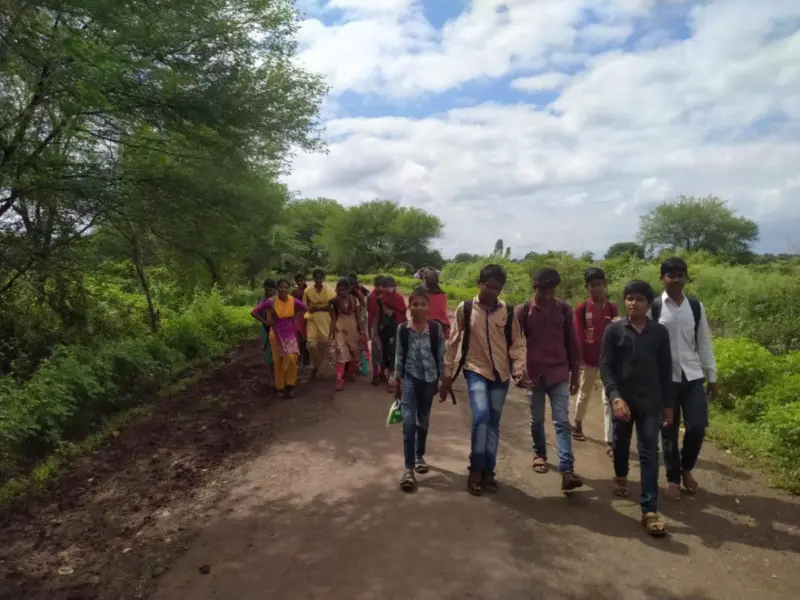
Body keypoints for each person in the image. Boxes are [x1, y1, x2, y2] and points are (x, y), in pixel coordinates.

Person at [440, 264, 526, 496]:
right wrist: (447, 374)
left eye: (497, 288)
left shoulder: (507, 311)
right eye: (489, 286)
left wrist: (519, 369)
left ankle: (489, 471)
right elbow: (453, 341)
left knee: (493, 423)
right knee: (481, 418)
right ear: (479, 284)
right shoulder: (466, 308)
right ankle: (476, 469)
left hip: (501, 375)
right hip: (475, 370)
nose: (492, 291)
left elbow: (516, 344)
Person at [600, 280, 675, 537]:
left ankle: (649, 510)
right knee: (620, 444)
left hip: (651, 401)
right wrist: (615, 397)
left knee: (649, 452)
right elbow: (606, 366)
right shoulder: (614, 330)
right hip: (624, 401)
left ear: (648, 304)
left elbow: (666, 369)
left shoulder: (659, 333)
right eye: (630, 298)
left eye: (640, 299)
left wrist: (668, 403)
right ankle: (621, 473)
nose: (633, 303)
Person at [652, 257, 718, 500]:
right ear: (662, 279)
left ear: (686, 278)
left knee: (697, 427)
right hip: (665, 379)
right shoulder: (654, 307)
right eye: (670, 275)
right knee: (668, 430)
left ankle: (686, 468)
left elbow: (704, 343)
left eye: (680, 275)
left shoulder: (696, 307)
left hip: (692, 377)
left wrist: (712, 375)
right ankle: (672, 478)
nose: (676, 279)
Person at [518, 268, 583, 491]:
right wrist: (517, 370)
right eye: (542, 291)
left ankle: (567, 469)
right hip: (534, 374)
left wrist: (576, 374)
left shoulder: (564, 309)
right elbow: (514, 343)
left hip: (559, 372)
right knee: (536, 420)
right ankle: (540, 453)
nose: (547, 296)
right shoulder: (524, 311)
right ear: (534, 287)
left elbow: (571, 342)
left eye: (551, 291)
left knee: (561, 421)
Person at [394, 288, 446, 492]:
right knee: (408, 423)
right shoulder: (403, 329)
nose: (419, 308)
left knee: (422, 421)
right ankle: (408, 469)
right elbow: (399, 355)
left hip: (430, 380)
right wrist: (397, 382)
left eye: (423, 304)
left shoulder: (435, 328)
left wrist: (442, 380)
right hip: (409, 379)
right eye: (415, 304)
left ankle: (419, 456)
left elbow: (441, 354)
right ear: (409, 307)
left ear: (428, 307)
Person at [572, 267, 619, 454]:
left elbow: (617, 332)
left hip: (609, 359)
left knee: (608, 397)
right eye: (592, 285)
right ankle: (577, 423)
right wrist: (580, 360)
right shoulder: (582, 308)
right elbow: (578, 334)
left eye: (599, 284)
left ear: (605, 284)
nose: (596, 288)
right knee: (585, 391)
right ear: (587, 287)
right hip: (589, 358)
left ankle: (610, 439)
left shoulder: (612, 307)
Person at [252, 279, 307, 398]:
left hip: (290, 334)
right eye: (281, 287)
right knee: (278, 361)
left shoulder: (292, 300)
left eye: (286, 287)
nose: (283, 289)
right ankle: (280, 388)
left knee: (292, 358)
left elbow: (305, 308)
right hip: (276, 334)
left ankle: (290, 385)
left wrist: (295, 316)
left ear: (289, 289)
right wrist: (266, 321)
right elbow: (254, 312)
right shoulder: (271, 301)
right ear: (277, 289)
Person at [329, 278, 364, 392]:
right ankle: (339, 379)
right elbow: (333, 320)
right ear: (337, 290)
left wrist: (362, 332)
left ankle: (350, 372)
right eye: (340, 290)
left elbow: (359, 317)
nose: (342, 292)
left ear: (349, 289)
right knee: (340, 351)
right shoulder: (334, 302)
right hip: (339, 327)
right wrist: (330, 334)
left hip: (352, 328)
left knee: (354, 351)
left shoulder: (354, 299)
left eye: (344, 290)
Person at [303, 269, 336, 379]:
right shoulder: (308, 291)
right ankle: (317, 366)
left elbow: (332, 306)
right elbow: (305, 306)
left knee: (324, 345)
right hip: (312, 319)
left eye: (320, 278)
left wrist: (317, 308)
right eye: (316, 278)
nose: (318, 280)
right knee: (311, 344)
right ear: (313, 278)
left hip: (326, 319)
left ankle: (318, 369)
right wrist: (312, 309)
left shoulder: (329, 290)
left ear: (323, 278)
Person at [377, 276, 407, 394]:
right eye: (387, 286)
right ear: (384, 287)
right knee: (385, 352)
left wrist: (394, 314)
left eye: (392, 285)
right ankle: (389, 374)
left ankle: (393, 380)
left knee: (394, 352)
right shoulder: (381, 299)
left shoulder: (398, 298)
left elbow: (403, 312)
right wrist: (376, 328)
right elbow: (378, 315)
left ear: (395, 286)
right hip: (384, 328)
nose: (390, 288)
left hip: (396, 327)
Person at [252, 278, 278, 391]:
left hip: (279, 329)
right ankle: (274, 380)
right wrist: (265, 321)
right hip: (266, 329)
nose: (268, 292)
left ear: (275, 289)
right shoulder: (262, 300)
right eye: (267, 289)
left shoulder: (279, 299)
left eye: (271, 290)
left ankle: (282, 378)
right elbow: (254, 313)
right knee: (269, 356)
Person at [416, 268, 450, 339]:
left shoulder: (419, 293)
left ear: (425, 280)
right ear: (437, 281)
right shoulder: (443, 295)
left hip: (422, 327)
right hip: (439, 327)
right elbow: (443, 314)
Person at [368, 275, 388, 385]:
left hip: (386, 327)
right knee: (376, 351)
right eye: (378, 285)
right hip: (375, 327)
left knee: (385, 351)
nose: (380, 287)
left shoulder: (388, 297)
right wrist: (370, 329)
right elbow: (370, 314)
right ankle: (376, 374)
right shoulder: (371, 297)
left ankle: (382, 373)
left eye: (382, 285)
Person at [292, 273, 310, 369]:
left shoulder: (309, 290)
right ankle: (299, 360)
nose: (300, 282)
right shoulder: (294, 291)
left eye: (301, 280)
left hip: (308, 315)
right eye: (298, 281)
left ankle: (306, 361)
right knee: (299, 339)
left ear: (305, 280)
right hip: (298, 316)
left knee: (307, 339)